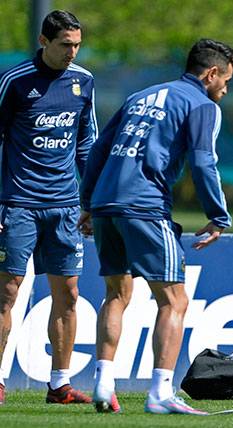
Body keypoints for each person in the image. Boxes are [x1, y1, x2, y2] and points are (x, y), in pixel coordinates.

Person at [78, 39, 233, 415]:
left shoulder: (141, 95)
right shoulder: (202, 105)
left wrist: (89, 203)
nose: (226, 90)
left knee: (116, 295)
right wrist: (219, 214)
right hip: (145, 206)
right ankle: (160, 393)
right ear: (211, 73)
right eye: (226, 81)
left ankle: (103, 383)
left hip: (106, 203)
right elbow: (203, 163)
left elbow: (100, 148)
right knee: (174, 300)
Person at [0, 10, 97, 406]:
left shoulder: (83, 82)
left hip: (66, 208)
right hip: (18, 205)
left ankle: (59, 384)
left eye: (76, 45)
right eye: (64, 45)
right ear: (44, 42)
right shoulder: (15, 82)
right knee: (7, 294)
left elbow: (86, 144)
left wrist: (90, 201)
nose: (72, 52)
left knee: (69, 294)